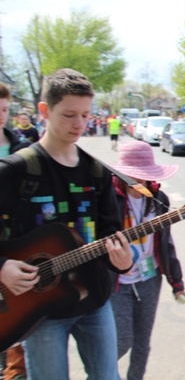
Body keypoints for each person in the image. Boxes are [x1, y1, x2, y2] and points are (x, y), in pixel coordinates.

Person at [0, 68, 133, 380]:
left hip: (95, 301)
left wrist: (124, 261)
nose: (79, 125)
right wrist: (3, 265)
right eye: (69, 114)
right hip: (37, 309)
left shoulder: (98, 172)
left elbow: (111, 232)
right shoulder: (13, 171)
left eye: (86, 115)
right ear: (44, 111)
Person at [109, 140, 185, 380]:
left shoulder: (158, 198)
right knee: (122, 341)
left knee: (143, 343)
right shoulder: (108, 197)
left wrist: (177, 283)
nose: (140, 182)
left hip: (150, 279)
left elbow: (166, 243)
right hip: (118, 283)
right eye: (134, 176)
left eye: (144, 177)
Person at [0, 83, 30, 380]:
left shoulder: (21, 149)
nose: (1, 117)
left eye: (5, 110)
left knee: (17, 336)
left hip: (18, 251)